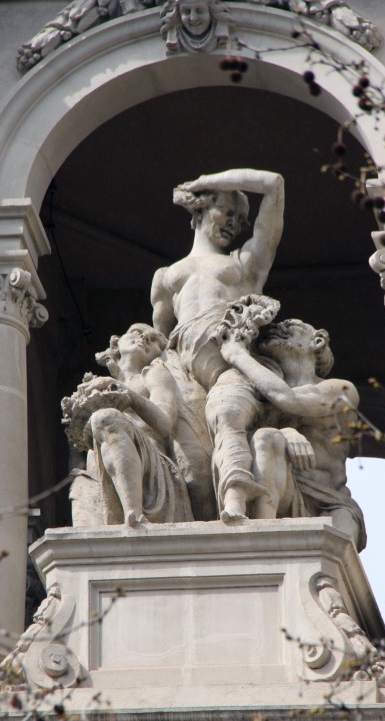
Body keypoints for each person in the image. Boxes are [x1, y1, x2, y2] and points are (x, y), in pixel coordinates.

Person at [151, 168, 284, 521]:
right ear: (201, 210)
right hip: (185, 372)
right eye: (227, 212)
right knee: (191, 466)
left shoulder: (245, 265)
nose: (235, 224)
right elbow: (161, 338)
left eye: (241, 220)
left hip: (232, 361)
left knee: (227, 414)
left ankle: (236, 502)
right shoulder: (166, 277)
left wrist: (212, 180)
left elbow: (274, 186)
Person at [218, 318, 366, 550]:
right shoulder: (260, 397)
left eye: (291, 327)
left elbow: (290, 400)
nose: (277, 328)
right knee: (266, 437)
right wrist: (286, 433)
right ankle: (258, 539)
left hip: (328, 504)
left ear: (316, 341)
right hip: (286, 490)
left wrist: (237, 355)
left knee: (337, 559)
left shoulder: (340, 390)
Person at [63, 323, 193, 527]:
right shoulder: (98, 384)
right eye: (137, 333)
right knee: (85, 470)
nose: (145, 338)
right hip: (105, 465)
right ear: (115, 346)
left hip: (152, 467)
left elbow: (165, 423)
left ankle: (134, 516)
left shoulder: (154, 374)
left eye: (154, 340)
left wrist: (127, 394)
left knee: (106, 418)